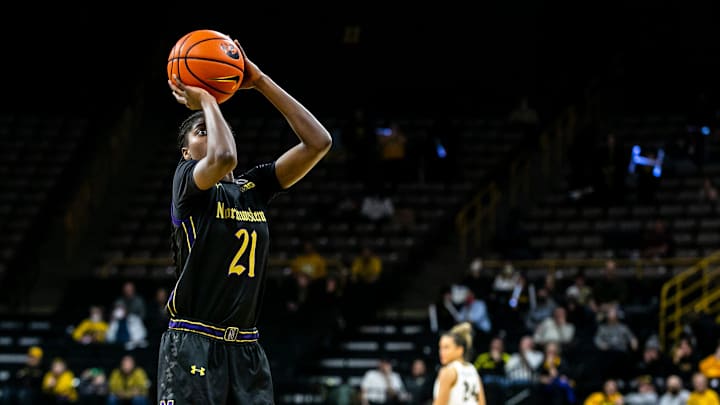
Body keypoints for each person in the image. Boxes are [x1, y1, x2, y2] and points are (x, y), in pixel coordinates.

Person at [160, 37, 332, 405]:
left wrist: (260, 81)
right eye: (199, 131)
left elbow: (319, 142)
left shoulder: (253, 188)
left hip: (247, 349)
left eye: (214, 128)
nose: (210, 133)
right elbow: (223, 157)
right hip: (194, 342)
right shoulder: (186, 181)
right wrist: (207, 99)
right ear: (186, 151)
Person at [433, 322, 486, 405]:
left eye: (446, 348)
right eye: (440, 348)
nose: (441, 352)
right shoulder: (472, 369)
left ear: (460, 350)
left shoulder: (448, 371)